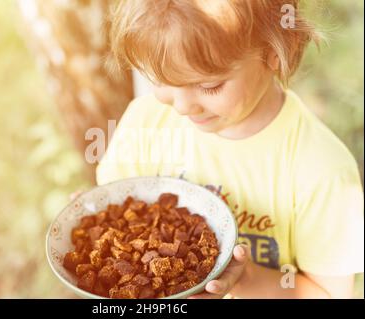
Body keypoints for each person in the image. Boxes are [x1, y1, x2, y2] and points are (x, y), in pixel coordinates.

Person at [95, 0, 364, 298]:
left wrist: (244, 278)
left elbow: (329, 294)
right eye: (160, 80)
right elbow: (115, 211)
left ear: (275, 51)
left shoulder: (322, 171)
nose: (182, 106)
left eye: (209, 85)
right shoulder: (145, 121)